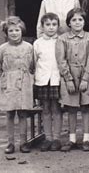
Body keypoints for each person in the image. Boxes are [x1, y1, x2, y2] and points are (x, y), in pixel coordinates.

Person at [56, 9, 89, 152]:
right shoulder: (62, 39)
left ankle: (86, 138)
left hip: (86, 74)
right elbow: (61, 60)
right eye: (74, 20)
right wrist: (68, 79)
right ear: (68, 22)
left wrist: (86, 78)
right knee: (71, 108)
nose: (77, 22)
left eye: (80, 20)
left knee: (86, 107)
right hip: (70, 75)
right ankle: (72, 139)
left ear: (84, 22)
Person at [0, 16, 34, 154]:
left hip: (24, 83)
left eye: (17, 30)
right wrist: (5, 80)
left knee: (23, 113)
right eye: (11, 31)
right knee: (10, 114)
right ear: (6, 33)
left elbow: (33, 65)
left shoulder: (29, 47)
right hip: (8, 84)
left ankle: (23, 142)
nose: (14, 33)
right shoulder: (2, 49)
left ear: (22, 31)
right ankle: (10, 143)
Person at [34, 13, 63, 151]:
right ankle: (48, 138)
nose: (51, 28)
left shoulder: (61, 41)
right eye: (48, 25)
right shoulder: (37, 43)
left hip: (57, 79)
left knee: (56, 109)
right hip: (43, 79)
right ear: (42, 26)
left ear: (58, 26)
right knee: (45, 109)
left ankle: (57, 138)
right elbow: (34, 63)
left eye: (54, 24)